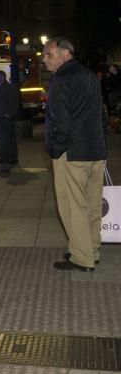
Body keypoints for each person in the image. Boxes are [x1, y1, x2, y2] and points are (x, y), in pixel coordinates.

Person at [43, 37, 107, 272]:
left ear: (64, 53)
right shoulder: (90, 75)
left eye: (48, 54)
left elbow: (61, 121)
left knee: (73, 206)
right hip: (95, 150)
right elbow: (100, 114)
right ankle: (93, 250)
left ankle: (82, 257)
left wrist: (56, 150)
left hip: (72, 153)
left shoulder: (60, 80)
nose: (44, 59)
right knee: (92, 204)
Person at [0, 70, 20, 169]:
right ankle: (3, 157)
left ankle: (13, 158)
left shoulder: (10, 88)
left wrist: (10, 113)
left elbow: (14, 102)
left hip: (6, 117)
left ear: (3, 77)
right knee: (1, 138)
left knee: (10, 138)